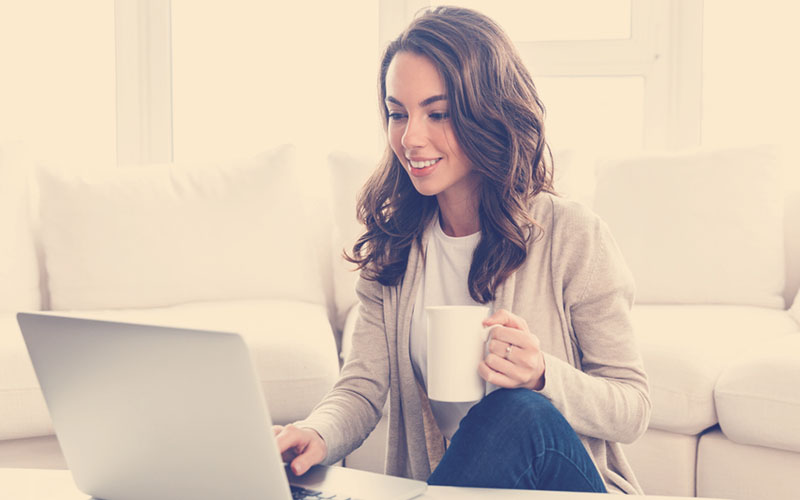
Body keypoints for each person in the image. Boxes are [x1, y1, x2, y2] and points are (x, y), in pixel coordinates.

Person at [275, 5, 651, 494]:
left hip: (561, 484)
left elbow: (633, 407)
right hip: (453, 488)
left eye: (438, 113)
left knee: (517, 412)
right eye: (397, 114)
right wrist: (316, 433)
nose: (410, 137)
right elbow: (361, 388)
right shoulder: (396, 245)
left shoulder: (572, 235)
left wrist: (542, 375)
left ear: (487, 111)